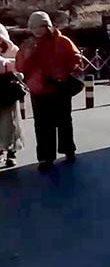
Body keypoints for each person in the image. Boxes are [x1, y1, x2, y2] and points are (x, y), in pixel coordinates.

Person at [16, 11, 81, 170]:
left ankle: (68, 150)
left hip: (59, 87)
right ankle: (46, 158)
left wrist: (62, 73)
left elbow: (75, 58)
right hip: (38, 90)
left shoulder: (62, 41)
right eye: (33, 27)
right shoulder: (28, 45)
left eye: (41, 26)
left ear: (48, 26)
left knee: (64, 121)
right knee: (42, 125)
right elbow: (20, 66)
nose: (37, 30)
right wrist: (30, 55)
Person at [0, 24, 24, 168]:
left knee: (11, 122)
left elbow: (21, 68)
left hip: (8, 91)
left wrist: (7, 65)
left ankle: (12, 151)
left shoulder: (13, 51)